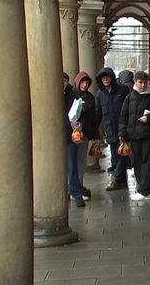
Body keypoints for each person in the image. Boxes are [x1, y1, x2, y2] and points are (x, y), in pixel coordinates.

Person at [118, 71, 150, 201]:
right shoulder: (129, 97)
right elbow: (123, 116)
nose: (142, 85)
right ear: (135, 82)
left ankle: (146, 191)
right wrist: (122, 133)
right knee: (136, 162)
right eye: (140, 82)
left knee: (148, 162)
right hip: (134, 135)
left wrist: (149, 118)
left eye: (145, 82)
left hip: (148, 135)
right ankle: (141, 187)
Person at [94, 67, 130, 190]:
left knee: (121, 154)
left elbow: (129, 108)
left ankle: (118, 179)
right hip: (109, 128)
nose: (105, 80)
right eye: (103, 78)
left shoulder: (122, 90)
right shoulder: (100, 94)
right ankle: (122, 180)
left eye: (107, 77)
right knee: (115, 154)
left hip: (122, 127)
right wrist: (95, 131)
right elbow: (98, 113)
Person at [72, 71, 99, 201]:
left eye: (86, 83)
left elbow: (92, 117)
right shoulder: (71, 96)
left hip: (84, 134)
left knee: (80, 162)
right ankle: (72, 188)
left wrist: (95, 135)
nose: (84, 85)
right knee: (71, 162)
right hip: (70, 134)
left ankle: (79, 187)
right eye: (82, 82)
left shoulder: (90, 98)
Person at [63, 72, 85, 207]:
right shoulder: (50, 94)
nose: (63, 84)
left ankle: (76, 194)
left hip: (69, 135)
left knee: (72, 166)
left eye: (65, 81)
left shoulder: (73, 95)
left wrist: (80, 122)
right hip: (53, 136)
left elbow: (80, 111)